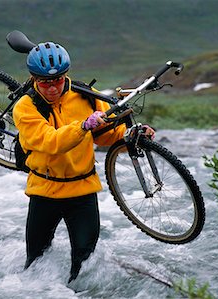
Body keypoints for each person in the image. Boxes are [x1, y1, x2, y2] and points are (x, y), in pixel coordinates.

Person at [12, 41, 153, 283]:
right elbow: (50, 142)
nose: (53, 87)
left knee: (84, 264)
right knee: (35, 262)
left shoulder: (85, 95)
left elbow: (104, 134)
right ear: (34, 78)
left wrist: (129, 134)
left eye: (57, 80)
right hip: (45, 192)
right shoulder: (25, 107)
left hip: (83, 191)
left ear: (65, 75)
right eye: (45, 82)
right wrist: (82, 125)